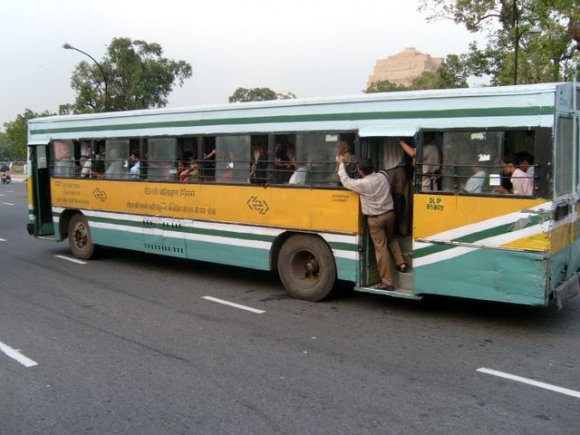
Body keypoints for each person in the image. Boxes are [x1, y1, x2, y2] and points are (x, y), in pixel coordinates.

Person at [337, 156, 406, 291]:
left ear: (361, 171)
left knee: (381, 248)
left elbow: (345, 181)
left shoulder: (362, 184)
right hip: (390, 214)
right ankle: (401, 263)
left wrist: (341, 164)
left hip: (375, 220)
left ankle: (388, 282)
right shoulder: (383, 176)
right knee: (391, 238)